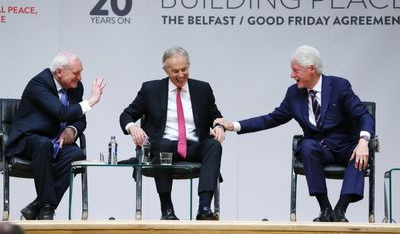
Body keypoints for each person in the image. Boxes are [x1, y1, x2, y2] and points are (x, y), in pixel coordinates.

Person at [214, 45, 374, 222]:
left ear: (311, 69)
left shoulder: (339, 86)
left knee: (360, 154)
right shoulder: (293, 94)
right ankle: (325, 208)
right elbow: (271, 118)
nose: (292, 75)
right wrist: (233, 125)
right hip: (320, 151)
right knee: (306, 146)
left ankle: (340, 210)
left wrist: (363, 141)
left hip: (346, 148)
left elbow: (364, 116)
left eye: (295, 70)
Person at [120, 46, 225, 220]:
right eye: (175, 71)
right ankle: (167, 210)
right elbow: (127, 114)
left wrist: (219, 125)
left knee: (213, 145)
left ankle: (204, 208)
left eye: (184, 69)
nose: (181, 75)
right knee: (164, 144)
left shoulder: (202, 89)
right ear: (165, 70)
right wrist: (132, 127)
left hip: (194, 146)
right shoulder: (151, 89)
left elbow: (215, 115)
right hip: (164, 148)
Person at [6, 51, 106, 220]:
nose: (80, 77)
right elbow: (62, 112)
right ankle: (45, 209)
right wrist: (92, 100)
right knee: (42, 144)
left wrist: (72, 130)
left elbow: (80, 120)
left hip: (54, 141)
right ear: (59, 72)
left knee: (76, 154)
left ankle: (38, 205)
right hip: (27, 139)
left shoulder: (75, 87)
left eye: (81, 72)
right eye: (76, 73)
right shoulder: (39, 84)